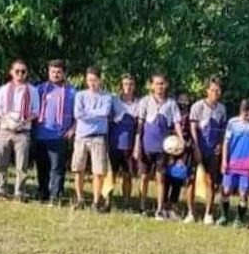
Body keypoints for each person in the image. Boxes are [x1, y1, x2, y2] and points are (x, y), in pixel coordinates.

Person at [134, 73, 186, 219]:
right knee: (144, 177)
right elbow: (140, 125)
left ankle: (159, 209)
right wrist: (137, 145)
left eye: (162, 83)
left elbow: (176, 123)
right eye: (157, 83)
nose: (160, 86)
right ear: (152, 85)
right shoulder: (145, 101)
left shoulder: (171, 103)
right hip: (146, 146)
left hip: (163, 148)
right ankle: (142, 207)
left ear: (166, 85)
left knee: (160, 179)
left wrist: (181, 140)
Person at [0, 59, 39, 201]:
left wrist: (23, 121)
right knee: (1, 163)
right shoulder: (3, 89)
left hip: (23, 132)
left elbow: (36, 111)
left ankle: (19, 192)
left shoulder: (32, 90)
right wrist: (7, 120)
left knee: (22, 165)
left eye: (23, 71)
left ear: (26, 73)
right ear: (11, 72)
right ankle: (0, 190)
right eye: (17, 71)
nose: (20, 74)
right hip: (5, 130)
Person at [34, 60, 76, 205]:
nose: (56, 74)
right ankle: (43, 192)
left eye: (59, 72)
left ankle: (55, 194)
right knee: (42, 166)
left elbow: (78, 115)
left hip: (59, 135)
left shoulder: (71, 91)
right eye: (53, 72)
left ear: (64, 73)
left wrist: (73, 129)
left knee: (57, 168)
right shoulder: (40, 89)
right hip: (41, 134)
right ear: (48, 72)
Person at [72, 67, 113, 211]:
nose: (92, 83)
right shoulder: (80, 95)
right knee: (78, 169)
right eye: (89, 80)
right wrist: (95, 114)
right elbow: (78, 114)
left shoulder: (107, 97)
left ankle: (96, 202)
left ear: (100, 80)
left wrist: (87, 113)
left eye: (95, 80)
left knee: (98, 172)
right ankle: (80, 199)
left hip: (98, 137)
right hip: (81, 137)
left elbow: (105, 112)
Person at [220, 99, 249, 227]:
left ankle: (239, 219)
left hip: (248, 167)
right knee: (226, 190)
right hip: (232, 164)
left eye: (248, 113)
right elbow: (226, 143)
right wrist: (224, 160)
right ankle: (223, 216)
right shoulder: (233, 122)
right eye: (242, 112)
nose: (244, 115)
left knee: (243, 193)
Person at [188, 76, 227, 224]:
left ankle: (208, 214)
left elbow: (222, 130)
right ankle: (190, 213)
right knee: (191, 181)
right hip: (199, 148)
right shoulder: (197, 106)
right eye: (212, 90)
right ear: (207, 90)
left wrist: (220, 144)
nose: (215, 93)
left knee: (211, 181)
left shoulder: (222, 109)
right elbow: (193, 128)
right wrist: (196, 147)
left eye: (218, 90)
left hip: (213, 151)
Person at [108, 73, 139, 209]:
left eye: (131, 84)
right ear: (121, 85)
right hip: (114, 143)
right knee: (111, 174)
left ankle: (126, 203)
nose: (128, 87)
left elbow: (139, 125)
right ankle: (108, 201)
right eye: (125, 84)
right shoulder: (113, 100)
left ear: (134, 86)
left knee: (128, 175)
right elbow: (108, 120)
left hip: (130, 145)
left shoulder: (139, 103)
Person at [164, 91, 194, 220]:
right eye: (181, 100)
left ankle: (173, 207)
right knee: (166, 178)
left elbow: (193, 132)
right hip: (169, 148)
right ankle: (163, 206)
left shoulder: (191, 115)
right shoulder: (172, 112)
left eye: (186, 100)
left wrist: (188, 144)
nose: (183, 102)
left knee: (177, 178)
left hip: (184, 151)